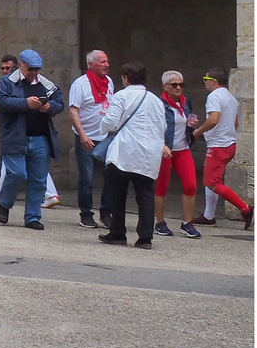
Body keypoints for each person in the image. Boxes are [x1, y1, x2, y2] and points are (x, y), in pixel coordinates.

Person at [99, 62, 167, 248]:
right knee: (145, 195)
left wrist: (105, 125)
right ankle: (145, 237)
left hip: (124, 151)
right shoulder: (155, 100)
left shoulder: (121, 96)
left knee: (118, 194)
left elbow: (110, 123)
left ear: (125, 78)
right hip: (149, 154)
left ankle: (118, 232)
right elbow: (163, 126)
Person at [0, 49, 63, 230]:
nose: (34, 73)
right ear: (21, 65)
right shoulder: (7, 82)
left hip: (40, 138)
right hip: (16, 137)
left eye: (37, 69)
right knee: (17, 173)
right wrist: (25, 103)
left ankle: (32, 217)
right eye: (31, 69)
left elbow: (59, 102)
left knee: (39, 180)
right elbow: (0, 102)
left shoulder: (46, 84)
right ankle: (5, 203)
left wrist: (48, 107)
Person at [191, 68, 252, 229]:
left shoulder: (214, 96)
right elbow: (236, 122)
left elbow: (213, 119)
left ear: (214, 81)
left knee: (211, 182)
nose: (205, 82)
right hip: (228, 143)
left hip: (218, 145)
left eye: (206, 78)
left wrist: (198, 131)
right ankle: (208, 215)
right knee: (213, 178)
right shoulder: (231, 98)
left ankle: (245, 208)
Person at [65, 49, 115, 228]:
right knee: (86, 177)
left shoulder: (109, 82)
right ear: (91, 64)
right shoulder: (80, 84)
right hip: (86, 137)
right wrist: (83, 135)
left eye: (107, 61)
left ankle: (106, 211)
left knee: (111, 175)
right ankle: (85, 213)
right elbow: (73, 110)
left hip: (106, 137)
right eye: (102, 62)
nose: (106, 65)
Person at [153, 70, 202, 239]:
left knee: (191, 185)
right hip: (165, 149)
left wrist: (191, 124)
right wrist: (161, 145)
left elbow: (186, 121)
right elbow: (153, 127)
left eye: (181, 84)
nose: (179, 88)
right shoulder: (159, 104)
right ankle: (160, 222)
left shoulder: (185, 102)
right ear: (165, 86)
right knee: (162, 186)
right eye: (174, 85)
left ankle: (187, 223)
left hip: (182, 148)